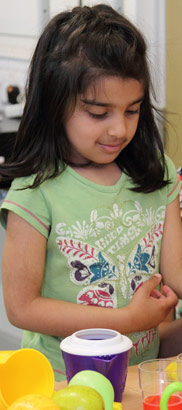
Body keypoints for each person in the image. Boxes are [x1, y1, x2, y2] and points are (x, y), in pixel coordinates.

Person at [0, 4, 181, 381]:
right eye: (99, 114)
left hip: (137, 374)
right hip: (61, 379)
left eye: (132, 110)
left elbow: (176, 273)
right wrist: (127, 320)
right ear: (55, 104)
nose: (119, 129)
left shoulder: (155, 171)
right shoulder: (36, 191)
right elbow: (22, 307)